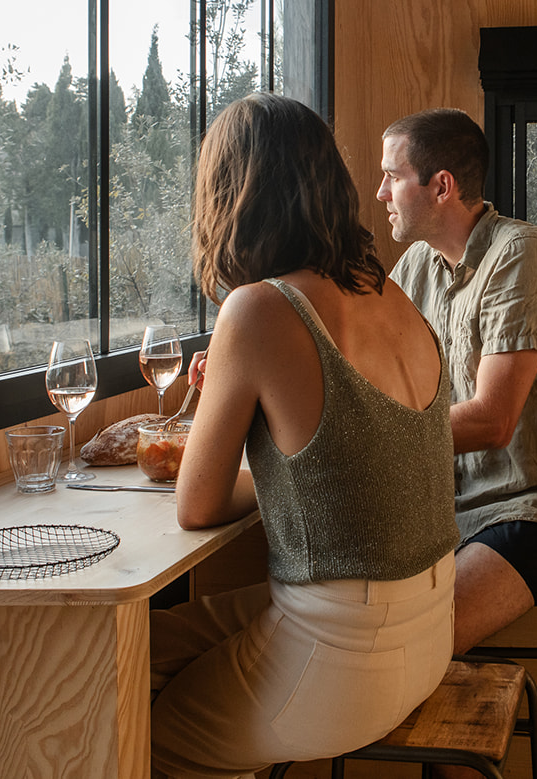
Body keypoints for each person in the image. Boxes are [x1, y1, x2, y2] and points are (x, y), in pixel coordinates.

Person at [150, 94, 459, 779]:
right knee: (141, 647)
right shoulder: (392, 293)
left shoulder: (258, 307)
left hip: (346, 655)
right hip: (431, 629)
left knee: (140, 735)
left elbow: (194, 504)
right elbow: (350, 462)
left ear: (232, 195)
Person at [377, 107, 537, 655]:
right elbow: (356, 352)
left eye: (391, 176)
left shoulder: (522, 255)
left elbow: (493, 419)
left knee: (409, 645)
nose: (381, 193)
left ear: (441, 187)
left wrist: (370, 440)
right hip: (451, 510)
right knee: (344, 616)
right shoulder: (416, 265)